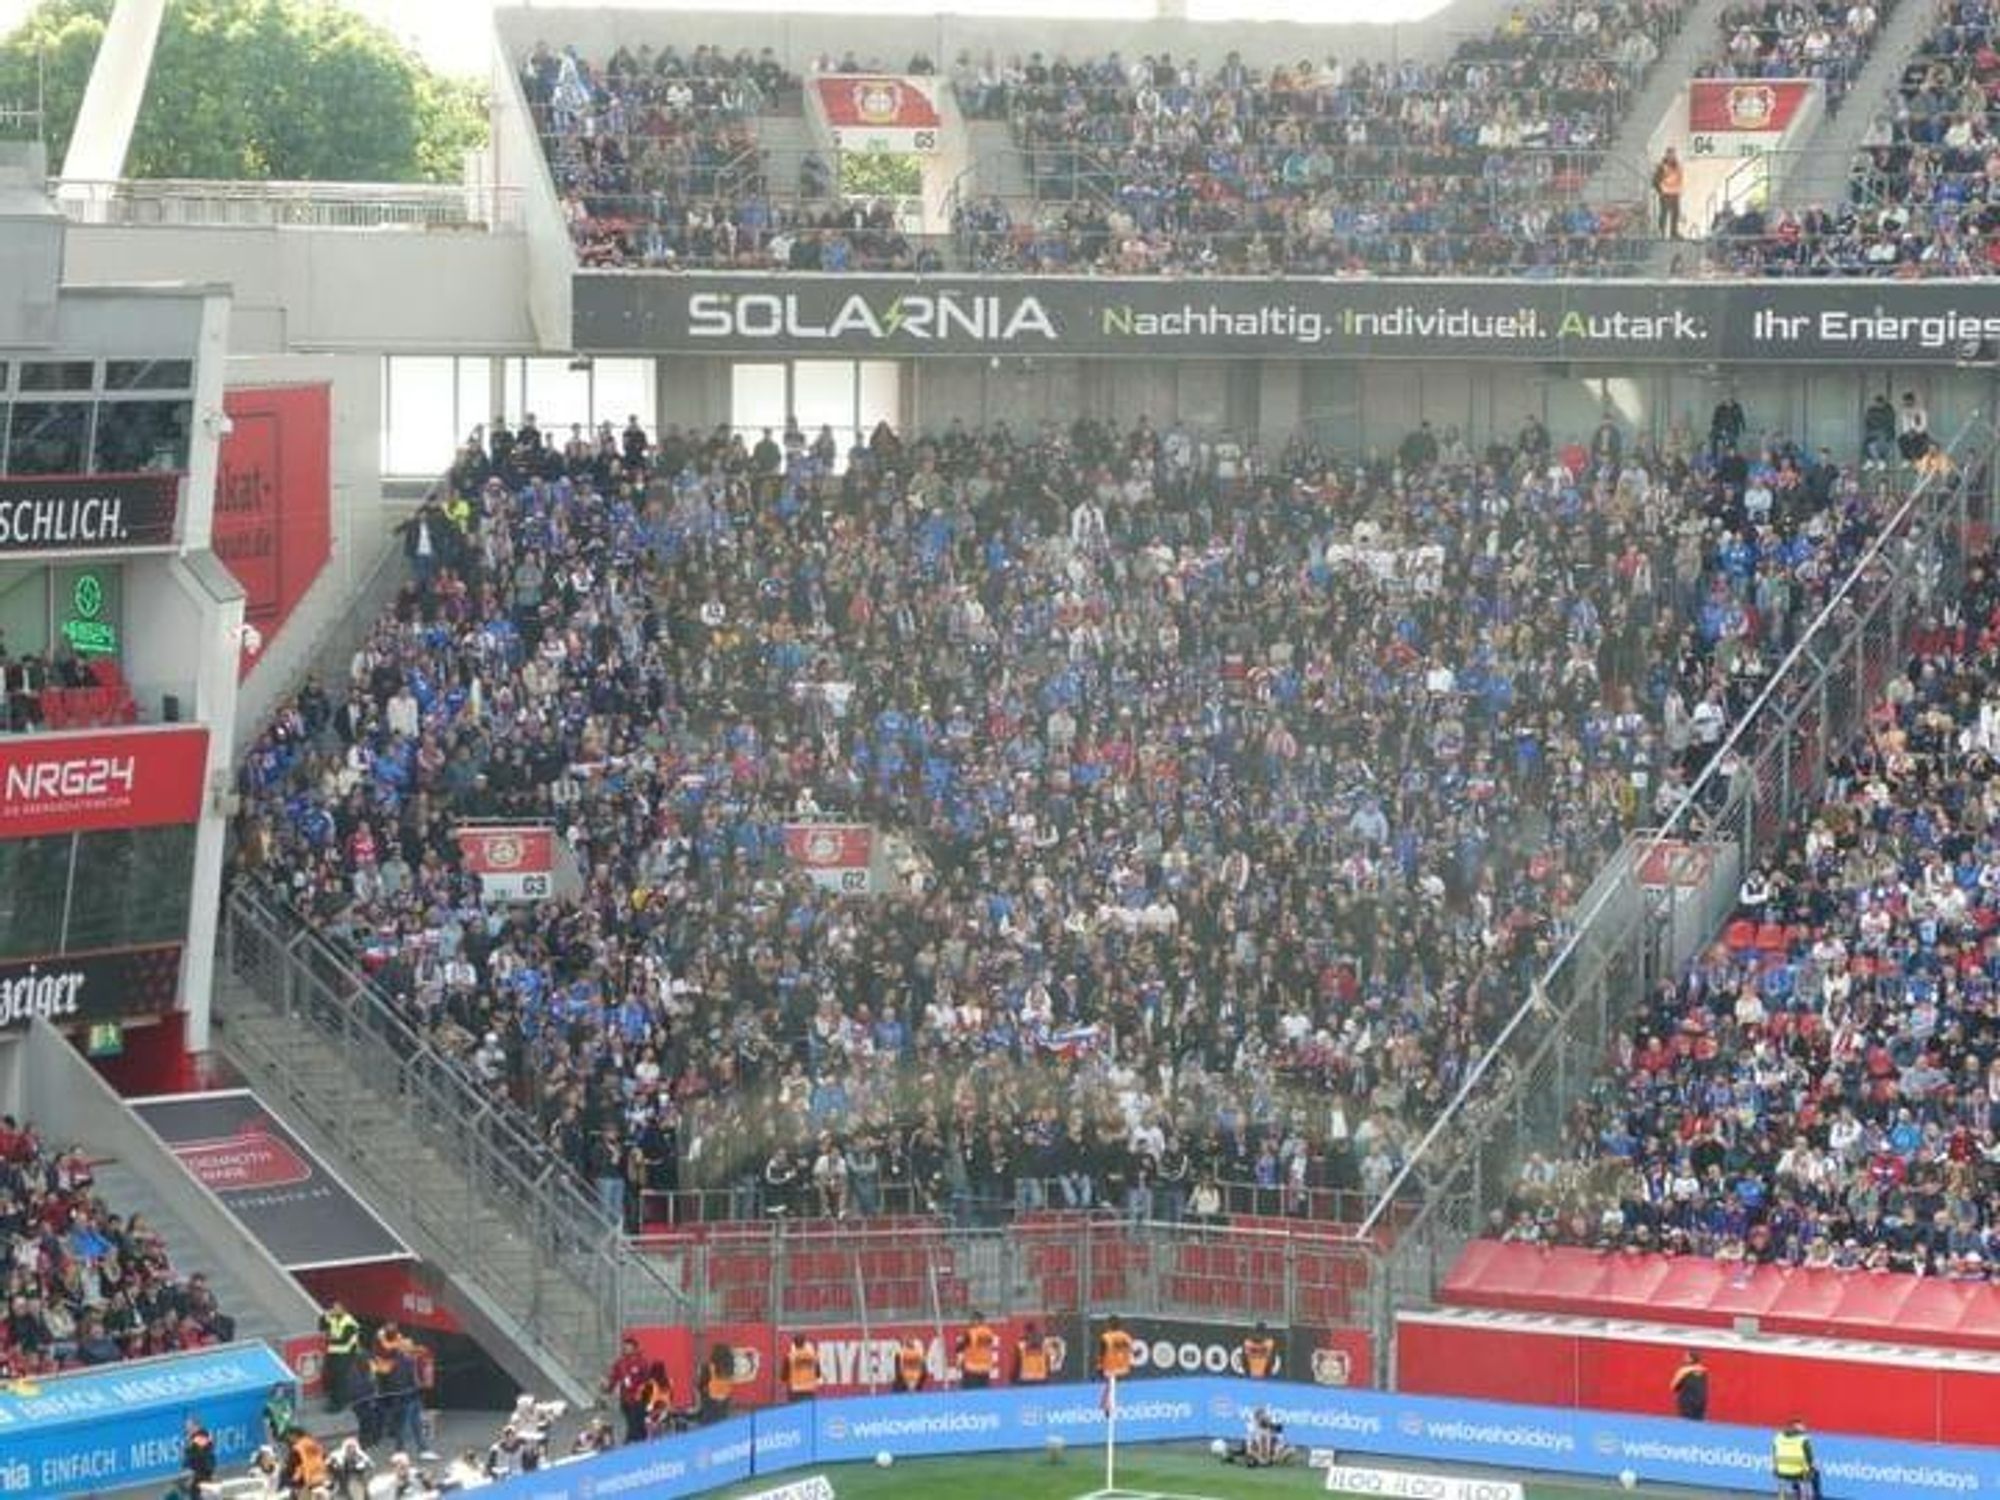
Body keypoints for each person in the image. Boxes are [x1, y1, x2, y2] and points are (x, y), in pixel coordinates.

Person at [604, 1334, 650, 1444]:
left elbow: (647, 1380)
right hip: (626, 1401)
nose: (626, 1347)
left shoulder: (642, 1362)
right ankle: (638, 1446)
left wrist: (646, 1398)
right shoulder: (620, 1363)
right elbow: (613, 1379)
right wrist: (606, 1388)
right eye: (625, 1345)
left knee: (636, 1427)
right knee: (634, 1425)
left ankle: (630, 1446)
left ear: (635, 1347)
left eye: (629, 1345)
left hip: (639, 1400)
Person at [320, 1300, 362, 1414]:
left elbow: (343, 1339)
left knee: (341, 1380)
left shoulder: (350, 1322)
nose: (335, 1309)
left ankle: (339, 1404)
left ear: (343, 1309)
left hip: (345, 1355)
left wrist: (330, 1338)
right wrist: (325, 1315)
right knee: (333, 1377)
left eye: (337, 1308)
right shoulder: (333, 1317)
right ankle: (333, 1400)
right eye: (333, 1307)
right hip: (334, 1353)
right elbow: (321, 1324)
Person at [1772, 1416, 1820, 1498]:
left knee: (1798, 1471)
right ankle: (1816, 1497)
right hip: (1799, 1472)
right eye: (1802, 1426)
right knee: (1815, 1472)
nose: (1804, 1428)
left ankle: (1796, 1492)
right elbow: (1810, 1459)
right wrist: (1813, 1467)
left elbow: (1774, 1455)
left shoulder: (1777, 1438)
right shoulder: (1804, 1440)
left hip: (1781, 1471)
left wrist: (1776, 1468)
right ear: (1796, 1428)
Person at [958, 1314, 999, 1389]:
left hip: (971, 1369)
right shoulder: (989, 1332)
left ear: (976, 1321)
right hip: (985, 1368)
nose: (970, 1322)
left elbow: (960, 1346)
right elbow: (989, 1342)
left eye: (972, 1320)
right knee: (983, 1393)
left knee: (969, 1394)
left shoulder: (970, 1332)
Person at [698, 1343, 735, 1424]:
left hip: (710, 1401)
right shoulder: (730, 1366)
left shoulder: (707, 1366)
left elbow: (701, 1386)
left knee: (709, 1422)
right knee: (721, 1421)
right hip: (723, 1400)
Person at [1671, 1349, 1710, 1420]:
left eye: (1686, 1356)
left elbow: (1673, 1386)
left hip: (1687, 1401)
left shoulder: (1683, 1370)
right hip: (1700, 1401)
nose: (1684, 1358)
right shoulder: (1703, 1370)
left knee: (1686, 1423)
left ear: (1690, 1359)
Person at [181, 1415, 217, 1491]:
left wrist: (192, 1475)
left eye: (189, 1426)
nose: (187, 1428)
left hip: (200, 1477)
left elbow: (206, 1458)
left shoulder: (200, 1438)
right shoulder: (193, 1438)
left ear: (196, 1426)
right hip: (196, 1477)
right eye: (186, 1426)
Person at [1653, 147, 1683, 239]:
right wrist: (1660, 191)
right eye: (1670, 154)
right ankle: (1661, 233)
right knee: (1664, 214)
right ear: (1667, 155)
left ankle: (1673, 233)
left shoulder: (1677, 166)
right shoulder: (1662, 166)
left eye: (1673, 154)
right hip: (1665, 193)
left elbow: (1679, 179)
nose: (1672, 156)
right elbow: (1655, 181)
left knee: (1676, 213)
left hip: (1675, 193)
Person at [785, 1333, 823, 1402]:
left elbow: (784, 1377)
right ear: (804, 1343)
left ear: (794, 1344)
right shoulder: (813, 1357)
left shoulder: (789, 1357)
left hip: (795, 1391)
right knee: (808, 1411)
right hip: (809, 1390)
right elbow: (818, 1374)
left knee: (795, 1411)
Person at [1096, 1316, 1134, 1382]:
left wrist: (1099, 1366)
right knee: (1112, 1386)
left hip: (1110, 1367)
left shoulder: (1106, 1337)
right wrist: (1131, 1363)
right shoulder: (1126, 1336)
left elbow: (1102, 1353)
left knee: (1111, 1386)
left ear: (1109, 1325)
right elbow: (1130, 1351)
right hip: (1123, 1367)